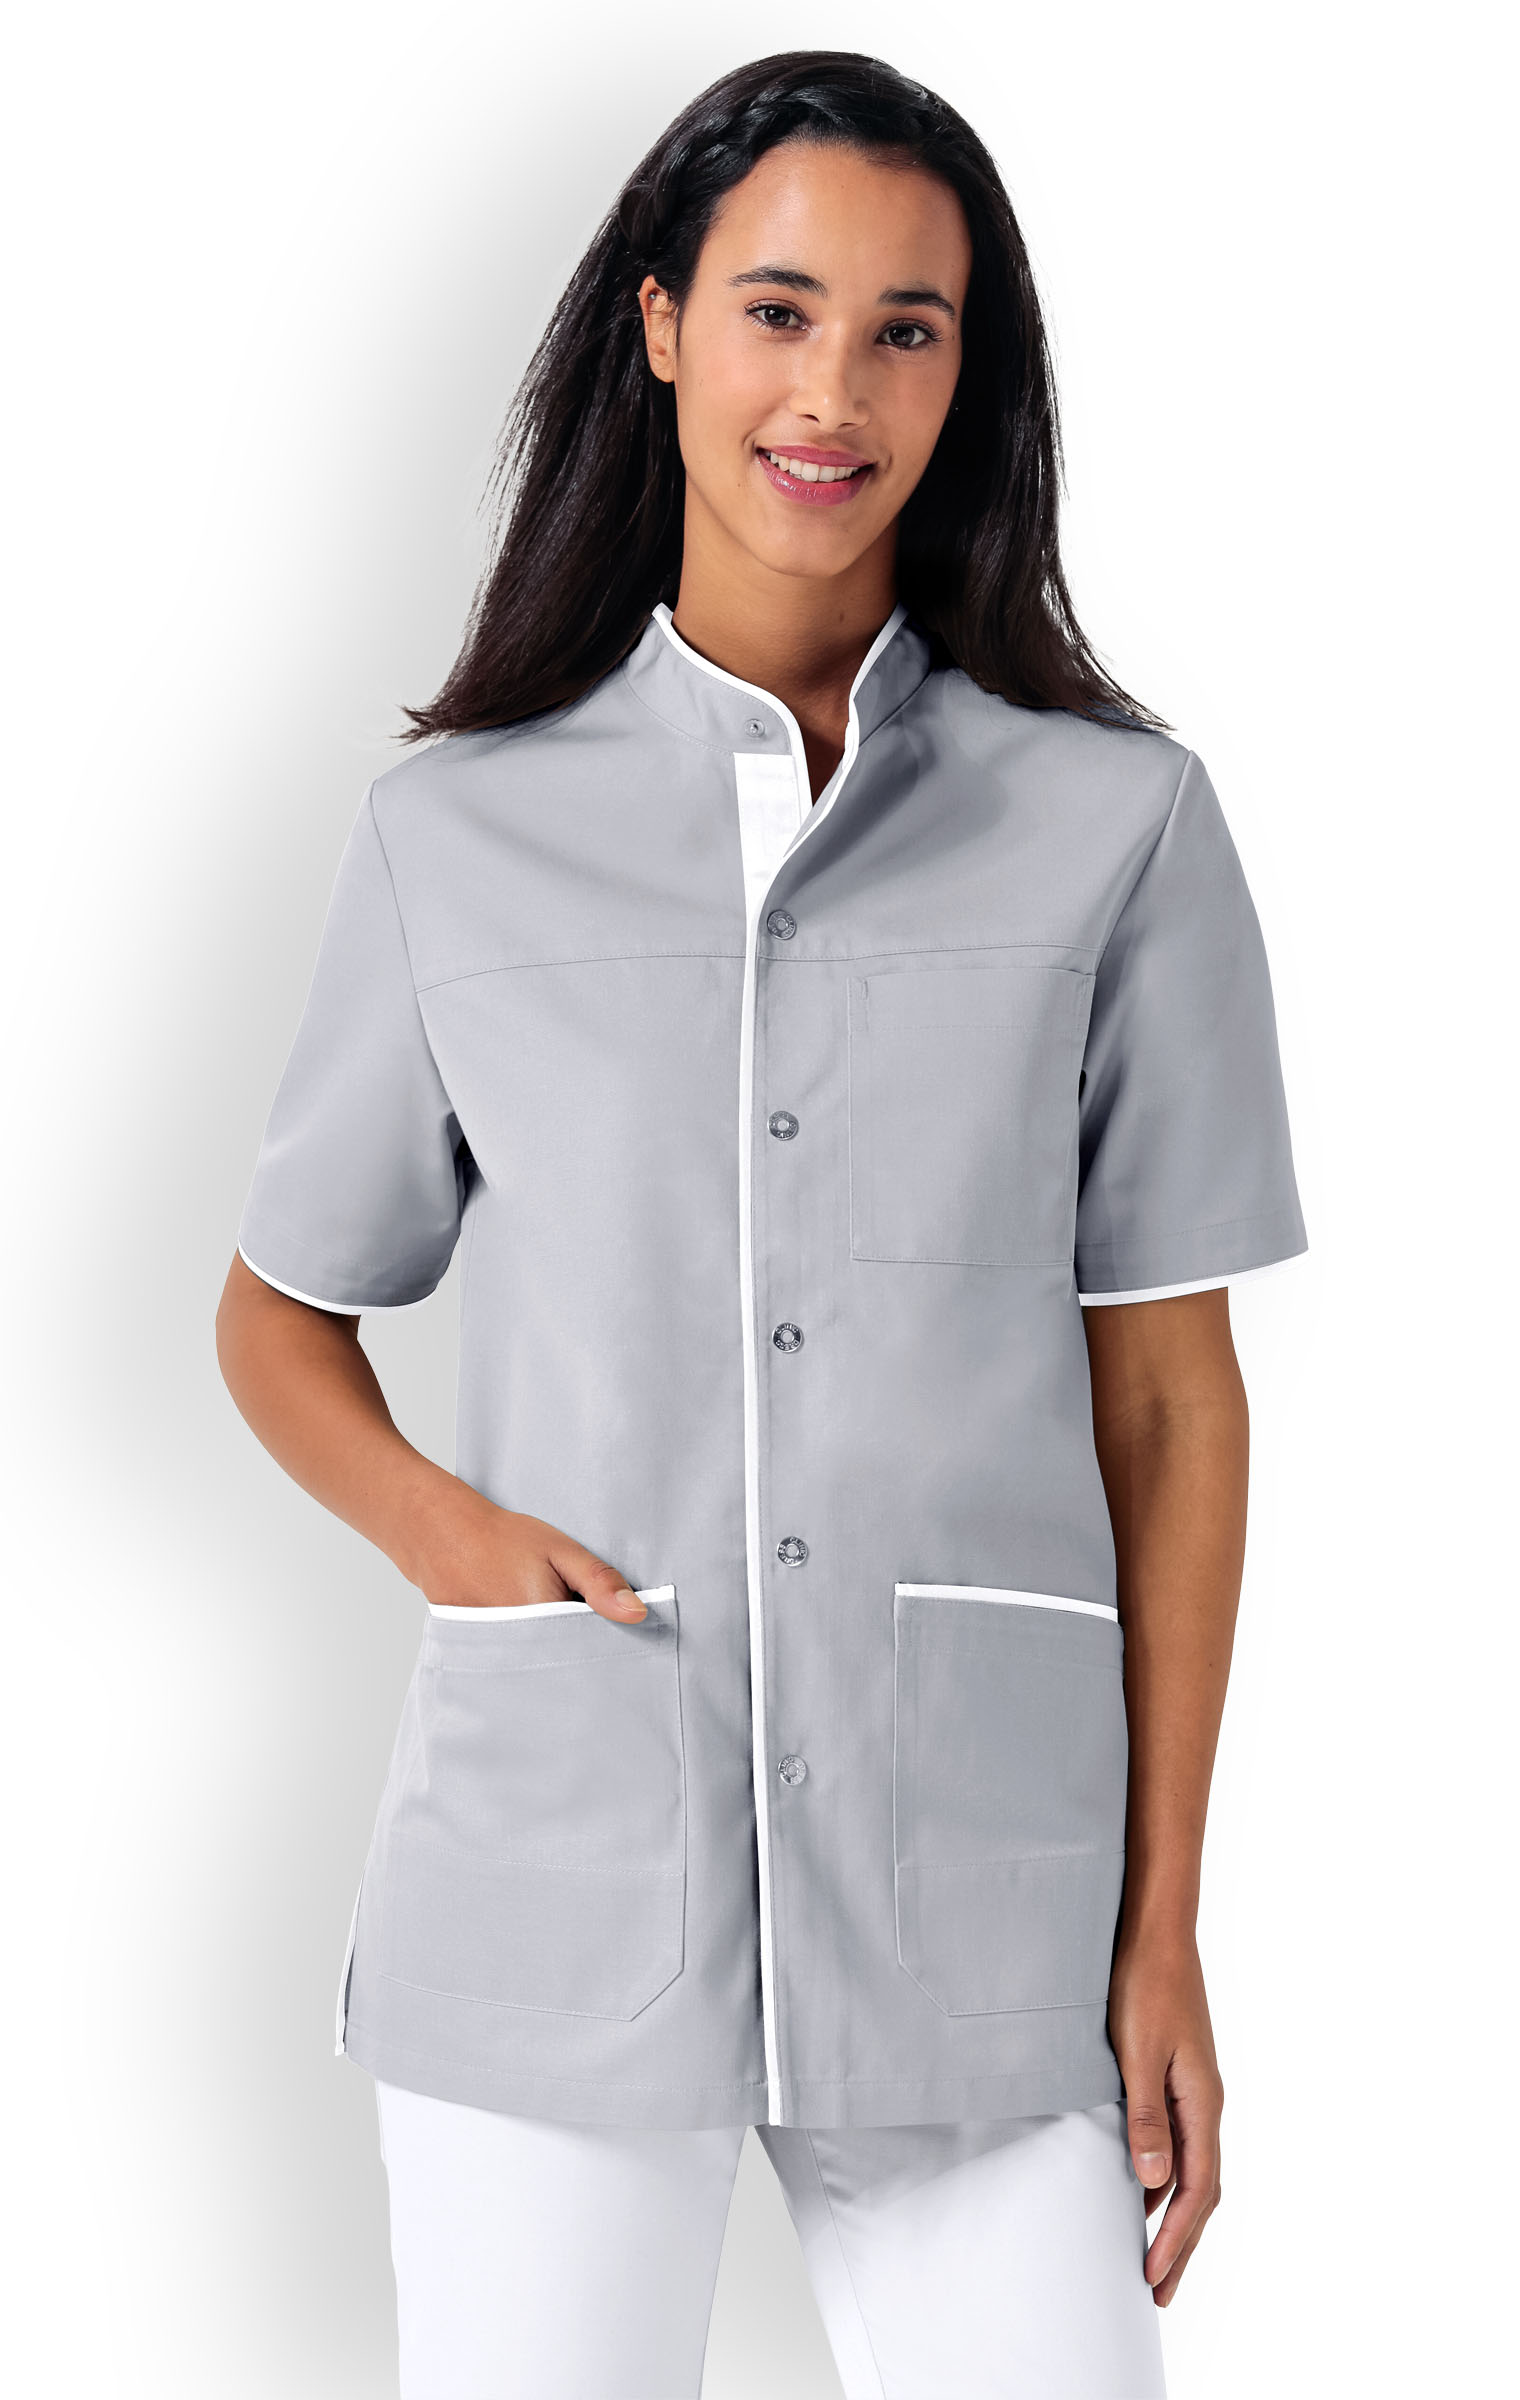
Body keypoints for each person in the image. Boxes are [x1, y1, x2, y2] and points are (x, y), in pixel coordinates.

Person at [215, 49, 1306, 2400]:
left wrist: (1161, 1928)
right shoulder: (454, 837)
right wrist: (453, 1543)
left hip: (982, 1895)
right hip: (553, 1863)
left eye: (906, 330)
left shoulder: (1115, 830)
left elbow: (1166, 1403)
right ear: (659, 327)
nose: (833, 392)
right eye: (779, 312)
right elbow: (279, 1314)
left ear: (964, 379)